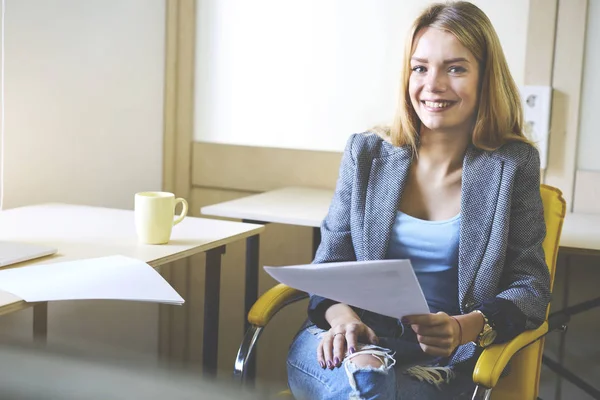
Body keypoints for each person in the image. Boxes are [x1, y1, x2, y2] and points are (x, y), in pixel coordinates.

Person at [286, 1, 550, 399]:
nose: (433, 84)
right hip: (346, 341)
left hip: (442, 364)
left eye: (455, 68)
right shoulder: (367, 154)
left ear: (485, 78)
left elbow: (530, 286)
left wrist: (466, 326)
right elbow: (330, 265)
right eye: (420, 67)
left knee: (372, 388)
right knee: (366, 377)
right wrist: (343, 320)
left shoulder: (512, 166)